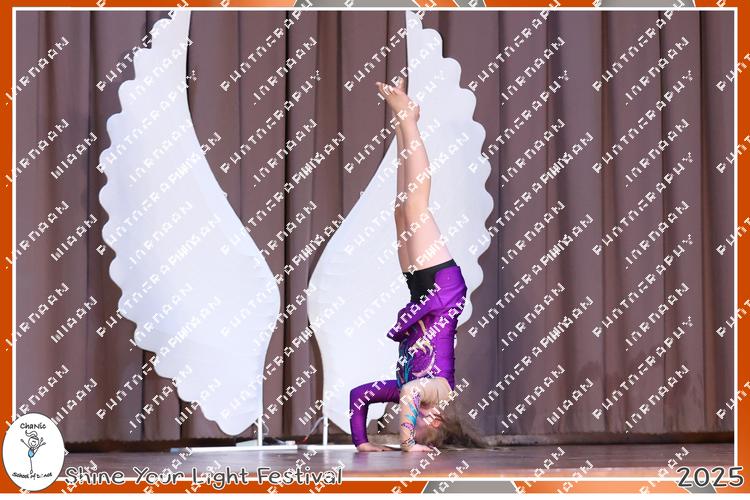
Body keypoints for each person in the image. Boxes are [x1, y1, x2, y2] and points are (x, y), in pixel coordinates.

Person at [349, 77, 486, 452]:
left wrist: (362, 442)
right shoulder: (439, 390)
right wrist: (409, 443)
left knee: (401, 208)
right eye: (415, 424)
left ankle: (403, 123)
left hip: (419, 293)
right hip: (442, 290)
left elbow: (359, 395)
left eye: (406, 424)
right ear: (438, 420)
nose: (405, 417)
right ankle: (408, 118)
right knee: (416, 207)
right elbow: (411, 392)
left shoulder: (407, 390)